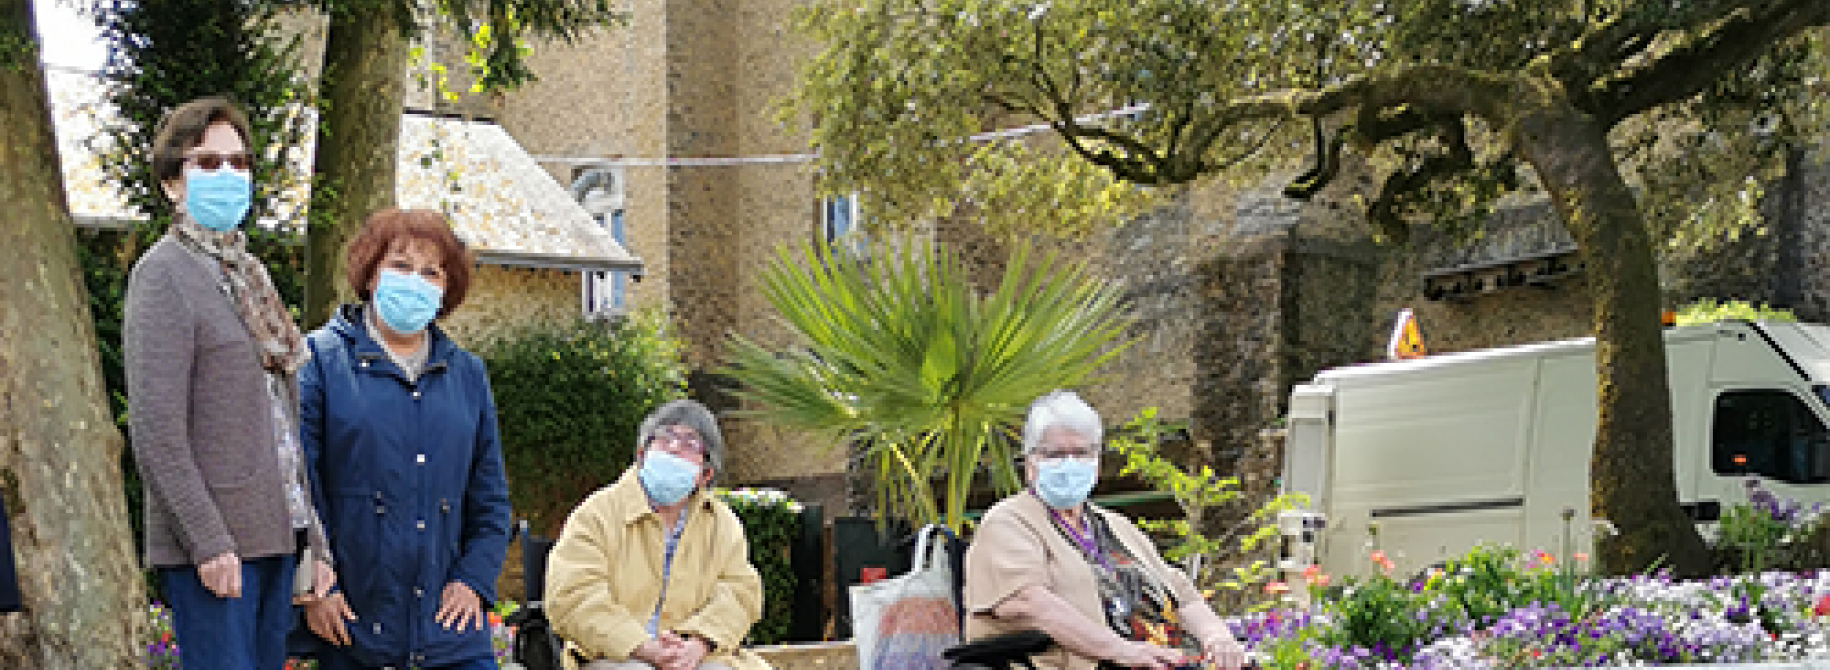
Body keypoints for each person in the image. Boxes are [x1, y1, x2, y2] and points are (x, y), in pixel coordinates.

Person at [123, 96, 333, 669]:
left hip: (273, 537)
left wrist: (313, 540)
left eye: (238, 163)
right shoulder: (164, 274)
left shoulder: (250, 278)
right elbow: (157, 430)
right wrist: (208, 542)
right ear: (172, 183)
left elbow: (284, 430)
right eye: (208, 163)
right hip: (214, 551)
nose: (228, 175)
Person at [298, 209, 512, 669]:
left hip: (450, 635)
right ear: (371, 274)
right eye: (399, 265)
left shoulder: (468, 375)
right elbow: (296, 485)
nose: (413, 281)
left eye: (430, 272)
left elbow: (490, 499)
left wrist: (473, 580)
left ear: (445, 290)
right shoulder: (319, 361)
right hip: (353, 626)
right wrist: (315, 584)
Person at [963, 391, 1249, 670]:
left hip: (1165, 658)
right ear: (1030, 464)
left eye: (1081, 453)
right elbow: (1026, 602)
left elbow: (1183, 595)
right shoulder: (1008, 522)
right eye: (1055, 454)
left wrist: (1218, 639)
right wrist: (1121, 650)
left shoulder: (1116, 526)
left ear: (1097, 463)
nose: (1069, 463)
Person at [544, 400, 772, 670]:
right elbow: (572, 597)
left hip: (701, 656)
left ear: (705, 474)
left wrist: (698, 644)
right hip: (613, 656)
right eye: (665, 438)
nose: (675, 447)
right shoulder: (596, 514)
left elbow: (740, 594)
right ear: (642, 454)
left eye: (690, 444)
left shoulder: (722, 524)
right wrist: (644, 648)